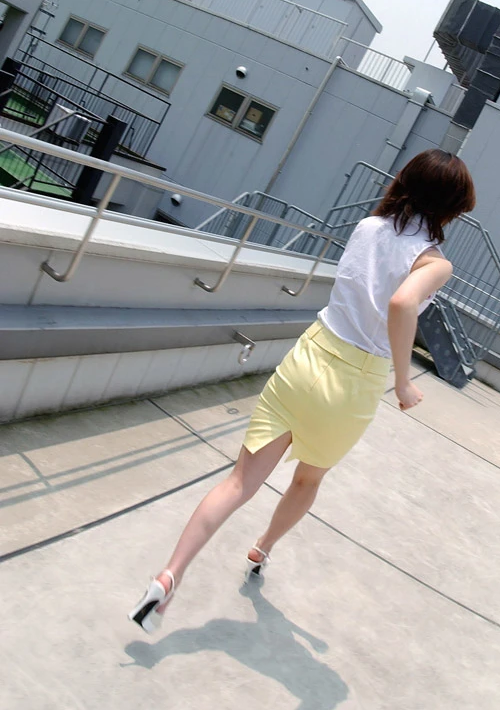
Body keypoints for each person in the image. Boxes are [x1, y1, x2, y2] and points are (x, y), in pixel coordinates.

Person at [129, 149, 476, 633]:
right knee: (307, 481)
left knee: (238, 483)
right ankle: (262, 548)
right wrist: (402, 382)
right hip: (354, 383)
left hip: (309, 354)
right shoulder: (435, 262)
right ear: (450, 207)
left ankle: (170, 575)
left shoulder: (368, 227)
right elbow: (402, 303)